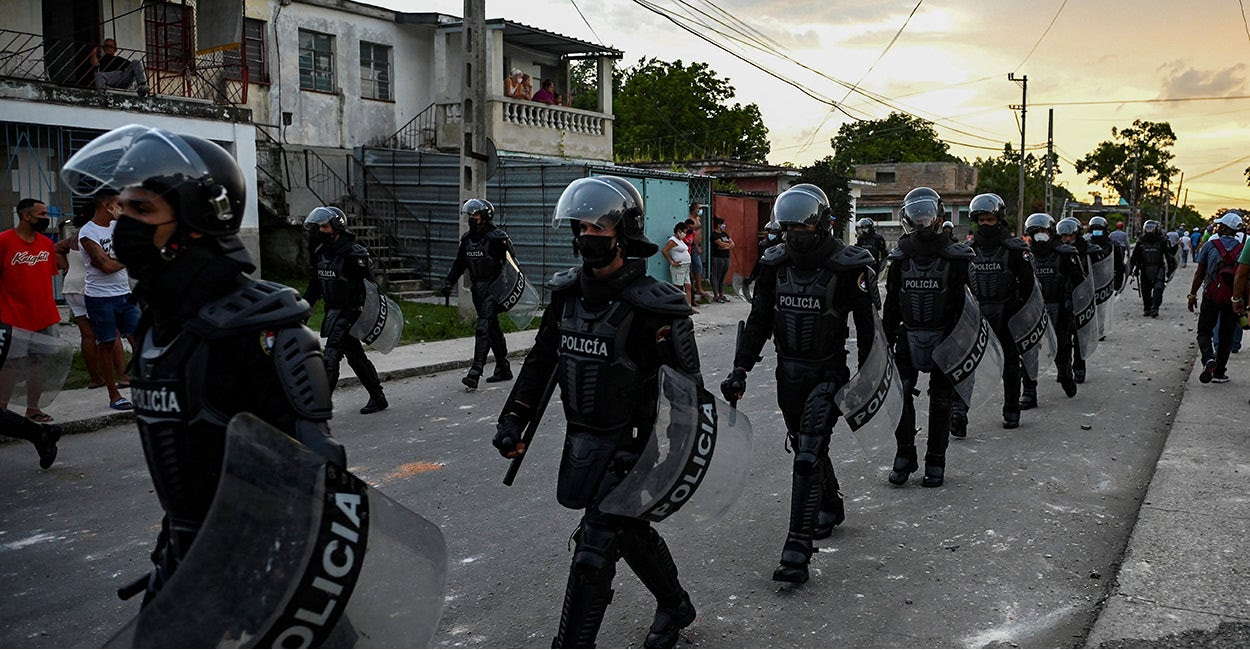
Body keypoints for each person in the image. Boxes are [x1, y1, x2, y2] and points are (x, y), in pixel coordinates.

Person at [60, 124, 347, 602]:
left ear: (197, 220)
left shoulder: (263, 330)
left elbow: (318, 469)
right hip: (185, 564)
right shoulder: (159, 323)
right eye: (123, 207)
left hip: (264, 578)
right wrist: (173, 553)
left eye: (143, 209)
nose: (125, 222)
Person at [492, 175, 702, 648]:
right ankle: (675, 603)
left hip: (635, 445)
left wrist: (677, 461)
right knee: (626, 532)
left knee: (594, 547)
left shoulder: (655, 306)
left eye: (599, 228)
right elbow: (541, 363)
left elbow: (689, 392)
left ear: (624, 233)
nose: (588, 236)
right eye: (581, 227)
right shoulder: (567, 295)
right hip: (583, 440)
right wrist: (512, 420)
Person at [720, 183, 877, 584]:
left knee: (807, 452)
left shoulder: (847, 266)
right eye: (789, 230)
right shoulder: (774, 265)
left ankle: (796, 550)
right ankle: (830, 502)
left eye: (802, 229)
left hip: (828, 371)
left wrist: (867, 377)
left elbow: (868, 329)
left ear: (822, 225)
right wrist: (740, 369)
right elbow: (758, 321)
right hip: (786, 374)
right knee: (806, 444)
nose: (795, 236)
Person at [881, 187, 973, 488]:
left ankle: (936, 459)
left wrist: (959, 344)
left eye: (926, 216)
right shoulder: (901, 258)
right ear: (908, 218)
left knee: (941, 400)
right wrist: (885, 339)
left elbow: (964, 306)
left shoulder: (956, 258)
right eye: (916, 216)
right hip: (908, 334)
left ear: (936, 217)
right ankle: (904, 455)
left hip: (944, 336)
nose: (921, 222)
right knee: (900, 393)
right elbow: (892, 301)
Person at [950, 193, 1033, 434]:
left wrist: (1020, 314)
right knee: (965, 365)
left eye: (990, 219)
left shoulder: (1014, 250)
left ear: (999, 219)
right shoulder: (965, 251)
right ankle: (959, 413)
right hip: (975, 315)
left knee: (1010, 363)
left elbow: (1028, 287)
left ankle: (1011, 408)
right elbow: (956, 286)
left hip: (1007, 313)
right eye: (981, 220)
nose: (986, 224)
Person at [303, 206, 388, 414]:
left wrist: (366, 316)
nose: (320, 231)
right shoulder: (321, 253)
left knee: (331, 355)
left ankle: (319, 407)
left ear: (336, 227)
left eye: (324, 226)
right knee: (355, 357)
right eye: (318, 226)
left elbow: (370, 288)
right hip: (333, 312)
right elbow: (315, 286)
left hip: (351, 312)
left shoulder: (354, 253)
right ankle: (378, 398)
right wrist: (303, 309)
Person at [441, 198, 515, 389]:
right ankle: (503, 367)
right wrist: (449, 282)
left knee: (483, 327)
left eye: (474, 214)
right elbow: (459, 264)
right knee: (492, 329)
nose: (471, 218)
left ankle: (476, 371)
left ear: (484, 216)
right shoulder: (467, 240)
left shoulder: (497, 238)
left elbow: (512, 264)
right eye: (469, 215)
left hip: (494, 288)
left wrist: (507, 289)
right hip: (477, 289)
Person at [55, 196, 128, 391]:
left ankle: (96, 379)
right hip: (91, 287)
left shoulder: (73, 237)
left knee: (87, 336)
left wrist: (66, 268)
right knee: (113, 334)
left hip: (71, 286)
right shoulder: (90, 233)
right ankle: (122, 376)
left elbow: (56, 249)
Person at [0, 198, 63, 422]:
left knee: (38, 362)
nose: (46, 219)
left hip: (44, 314)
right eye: (42, 214)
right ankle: (3, 412)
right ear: (27, 216)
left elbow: (47, 277)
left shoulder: (46, 244)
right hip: (12, 315)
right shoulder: (4, 241)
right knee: (11, 364)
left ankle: (33, 408)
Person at [77, 190, 141, 411]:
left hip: (124, 293)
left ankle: (146, 385)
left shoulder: (118, 227)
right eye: (119, 204)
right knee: (106, 344)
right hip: (100, 297)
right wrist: (126, 257)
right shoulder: (88, 232)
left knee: (140, 338)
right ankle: (114, 395)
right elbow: (105, 266)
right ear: (107, 205)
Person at [1024, 213, 1083, 403]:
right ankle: (1029, 392)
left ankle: (1066, 376)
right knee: (1029, 351)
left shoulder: (1065, 254)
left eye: (1043, 232)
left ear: (1051, 232)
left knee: (1062, 348)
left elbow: (1079, 282)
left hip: (1060, 308)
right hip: (1033, 309)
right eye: (1035, 232)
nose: (1039, 236)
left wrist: (1071, 301)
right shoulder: (1025, 256)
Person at [1187, 212, 1245, 384]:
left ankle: (1208, 359)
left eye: (1220, 225)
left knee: (1204, 331)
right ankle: (1219, 373)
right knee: (1227, 334)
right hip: (1232, 299)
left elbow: (1200, 273)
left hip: (1211, 295)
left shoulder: (1210, 245)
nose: (1217, 228)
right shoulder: (1243, 248)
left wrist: (1192, 294)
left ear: (1226, 228)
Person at [1057, 217, 1102, 383]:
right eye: (1064, 236)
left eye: (1070, 236)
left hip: (1082, 298)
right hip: (1062, 298)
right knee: (1063, 339)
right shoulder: (1057, 251)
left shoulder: (1087, 251)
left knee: (1080, 336)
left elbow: (1097, 273)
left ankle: (1079, 367)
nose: (1067, 239)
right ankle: (1065, 369)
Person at [1129, 220, 1176, 318]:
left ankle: (1155, 308)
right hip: (1144, 268)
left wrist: (1170, 269)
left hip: (1158, 267)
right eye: (1148, 228)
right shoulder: (1140, 241)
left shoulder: (1162, 241)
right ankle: (1147, 308)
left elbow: (1169, 255)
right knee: (1145, 290)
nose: (1149, 231)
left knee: (1158, 288)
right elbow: (1134, 256)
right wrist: (1131, 268)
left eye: (1151, 228)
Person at [1087, 216, 1127, 293]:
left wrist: (1117, 284)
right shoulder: (1087, 245)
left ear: (1104, 230)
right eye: (1094, 230)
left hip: (1107, 281)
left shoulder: (1112, 245)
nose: (1096, 233)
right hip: (1091, 282)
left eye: (1099, 230)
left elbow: (1119, 266)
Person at [661, 222, 694, 309]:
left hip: (686, 266)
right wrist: (672, 262)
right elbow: (664, 251)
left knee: (688, 285)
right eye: (684, 232)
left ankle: (688, 305)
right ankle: (676, 305)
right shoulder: (672, 241)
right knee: (677, 286)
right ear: (679, 231)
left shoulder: (680, 241)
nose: (685, 234)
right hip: (679, 267)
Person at [686, 203, 712, 303]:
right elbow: (692, 235)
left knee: (698, 267)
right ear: (693, 209)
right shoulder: (690, 219)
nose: (700, 210)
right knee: (697, 266)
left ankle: (697, 287)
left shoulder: (698, 219)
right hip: (693, 246)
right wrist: (696, 246)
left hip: (698, 246)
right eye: (698, 208)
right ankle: (698, 287)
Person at [709, 216, 733, 303]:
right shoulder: (714, 234)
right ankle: (716, 295)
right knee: (716, 276)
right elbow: (720, 244)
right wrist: (726, 245)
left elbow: (732, 243)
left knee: (723, 276)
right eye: (722, 224)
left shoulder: (724, 234)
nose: (724, 225)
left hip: (726, 256)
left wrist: (725, 246)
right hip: (717, 257)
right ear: (719, 225)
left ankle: (722, 294)